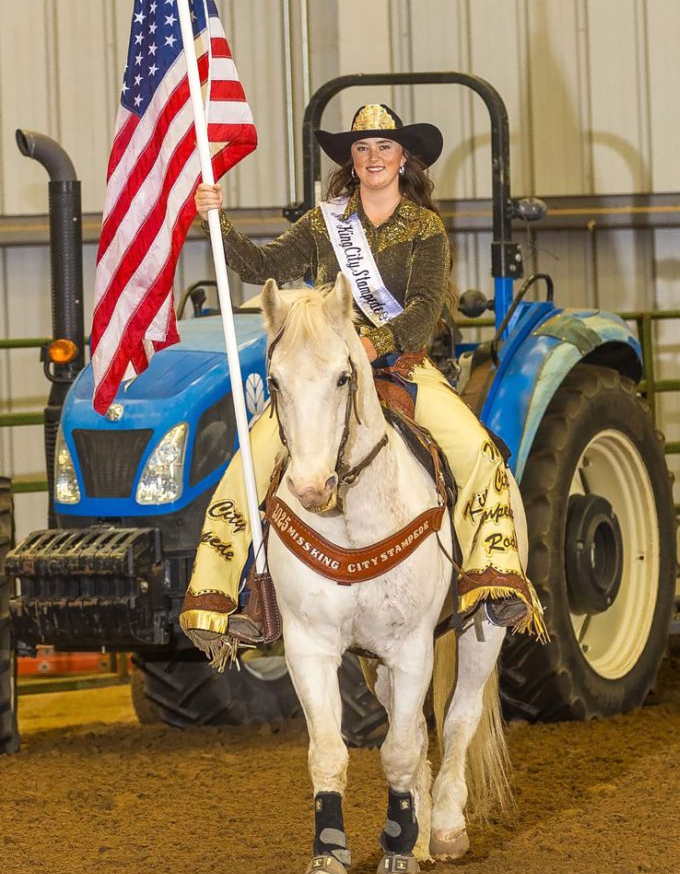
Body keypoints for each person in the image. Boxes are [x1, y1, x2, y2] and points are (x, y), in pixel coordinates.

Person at [180, 103, 544, 667]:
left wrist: (373, 344)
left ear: (403, 159)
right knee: (245, 467)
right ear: (350, 160)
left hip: (400, 368)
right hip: (323, 376)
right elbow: (260, 265)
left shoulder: (426, 229)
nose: (373, 157)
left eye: (384, 147)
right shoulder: (324, 222)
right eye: (362, 148)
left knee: (476, 452)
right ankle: (229, 597)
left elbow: (425, 309)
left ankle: (492, 575)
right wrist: (216, 222)